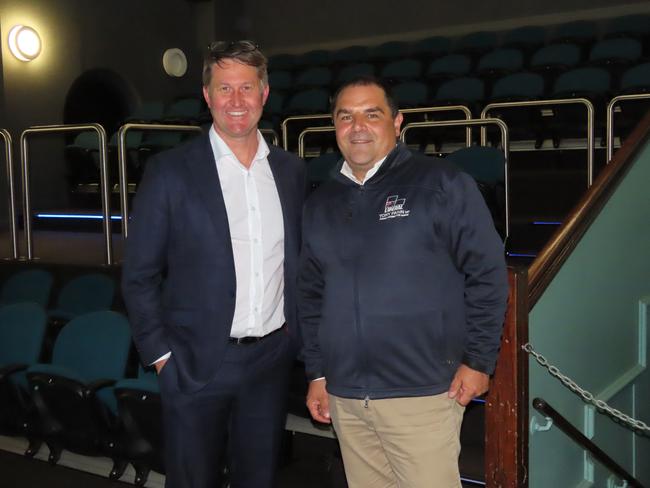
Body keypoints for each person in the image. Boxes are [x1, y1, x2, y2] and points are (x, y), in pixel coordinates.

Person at [298, 76, 508, 488]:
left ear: (397, 123)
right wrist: (317, 373)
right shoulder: (320, 203)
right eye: (346, 116)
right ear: (334, 127)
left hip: (424, 393)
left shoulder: (442, 184)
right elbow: (310, 293)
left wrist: (480, 361)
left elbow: (487, 274)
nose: (357, 126)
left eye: (371, 114)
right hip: (346, 395)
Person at [122, 40, 305, 488]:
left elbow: (297, 263)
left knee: (258, 478)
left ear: (265, 93)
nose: (237, 101)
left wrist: (295, 341)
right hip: (195, 363)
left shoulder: (291, 171)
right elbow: (139, 273)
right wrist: (162, 356)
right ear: (207, 95)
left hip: (270, 360)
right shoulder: (170, 171)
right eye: (225, 88)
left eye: (247, 87)